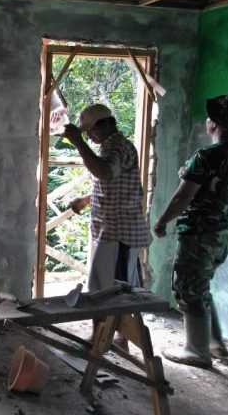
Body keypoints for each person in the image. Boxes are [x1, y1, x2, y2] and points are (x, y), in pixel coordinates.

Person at [153, 93, 228, 368]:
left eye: (209, 119)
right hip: (222, 235)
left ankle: (197, 351)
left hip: (198, 235)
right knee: (200, 287)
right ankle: (214, 344)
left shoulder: (205, 156)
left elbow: (182, 197)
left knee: (188, 289)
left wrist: (162, 220)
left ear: (215, 124)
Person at [62, 104, 151, 347]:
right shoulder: (110, 146)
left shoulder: (117, 145)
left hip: (119, 232)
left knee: (112, 289)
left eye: (91, 130)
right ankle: (111, 337)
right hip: (112, 230)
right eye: (86, 133)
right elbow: (113, 185)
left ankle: (112, 338)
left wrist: (79, 143)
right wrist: (86, 200)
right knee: (104, 286)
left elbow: (105, 173)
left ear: (107, 124)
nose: (90, 136)